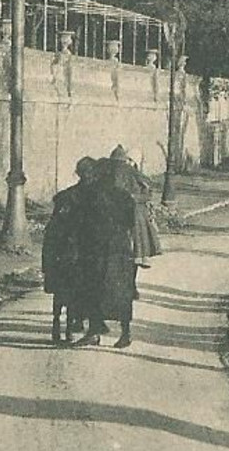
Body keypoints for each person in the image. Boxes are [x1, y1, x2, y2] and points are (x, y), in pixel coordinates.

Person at [74, 159, 138, 348]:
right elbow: (130, 221)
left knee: (94, 289)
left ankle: (94, 331)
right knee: (122, 292)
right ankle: (125, 334)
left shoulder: (91, 195)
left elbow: (83, 223)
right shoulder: (124, 196)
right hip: (120, 249)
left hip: (97, 250)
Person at [44, 157, 96, 343]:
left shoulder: (66, 195)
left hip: (62, 250)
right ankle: (72, 329)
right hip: (81, 251)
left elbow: (53, 227)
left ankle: (57, 326)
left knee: (61, 291)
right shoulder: (93, 196)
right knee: (78, 289)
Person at [107, 145, 163, 268]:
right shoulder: (128, 171)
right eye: (128, 160)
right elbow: (149, 186)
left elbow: (148, 187)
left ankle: (141, 255)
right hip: (129, 205)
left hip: (130, 206)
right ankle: (140, 255)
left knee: (138, 225)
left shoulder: (116, 171)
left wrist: (136, 197)